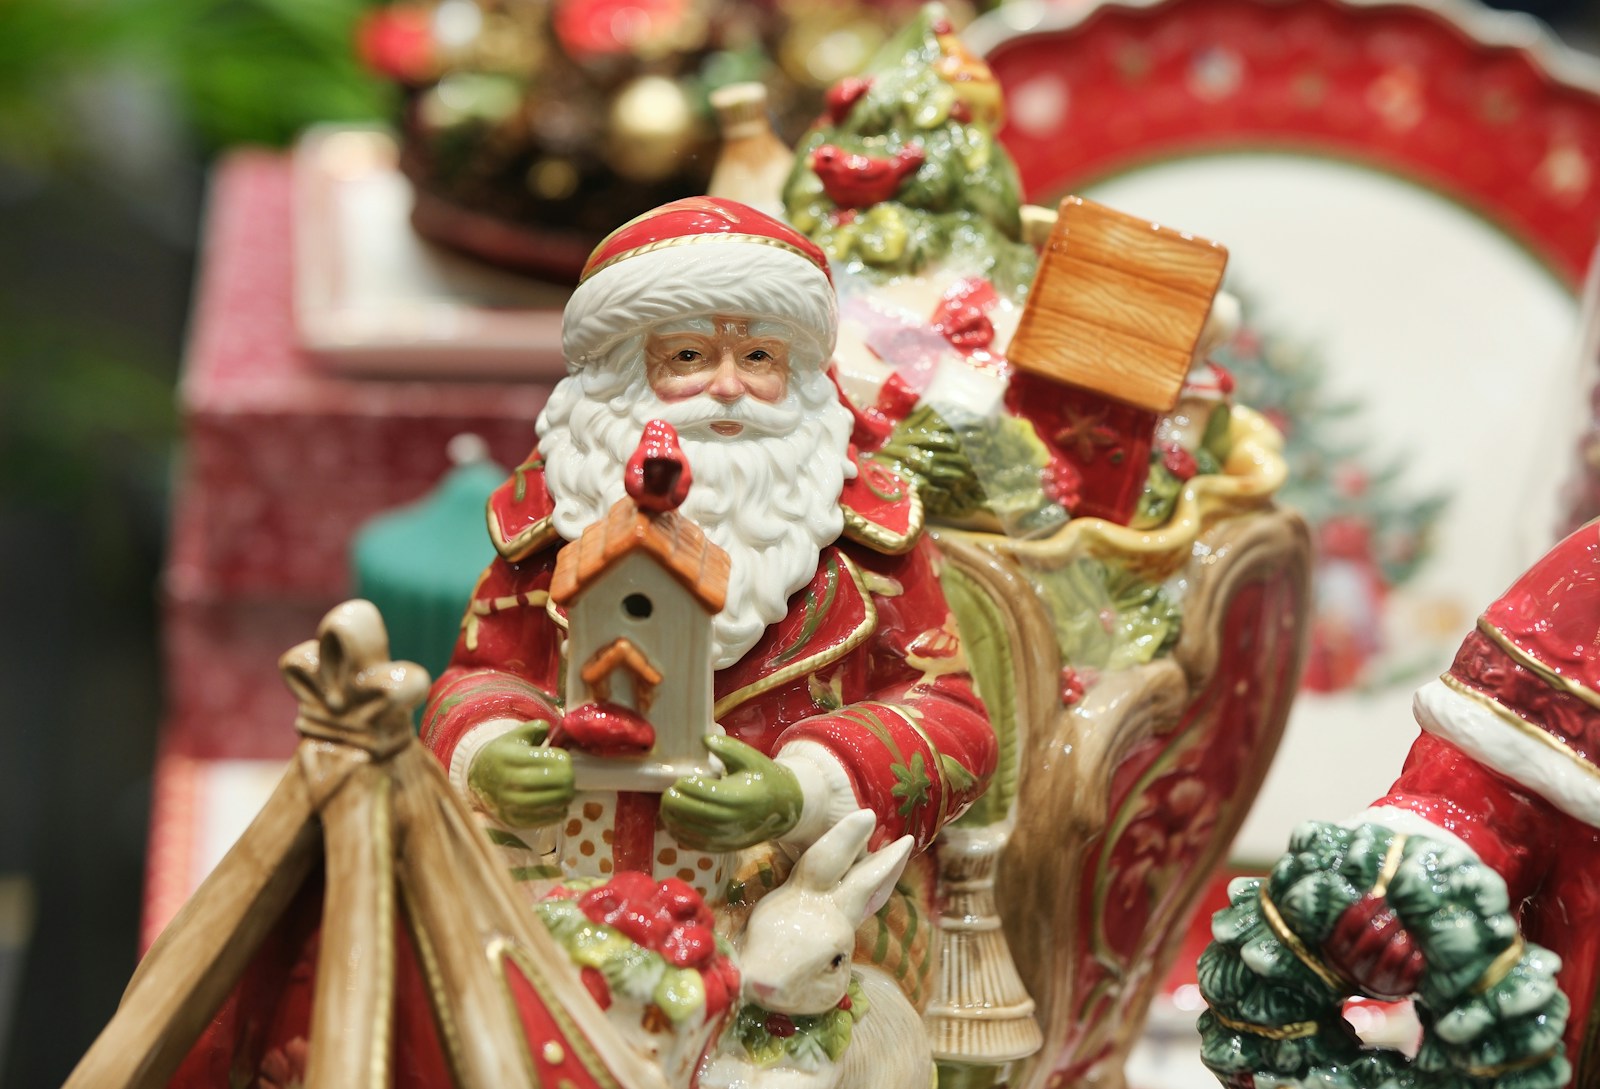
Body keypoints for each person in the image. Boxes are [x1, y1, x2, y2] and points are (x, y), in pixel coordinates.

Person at [421, 197, 996, 895]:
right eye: (689, 355)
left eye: (758, 356)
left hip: (800, 900)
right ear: (626, 370)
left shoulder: (865, 538)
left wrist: (805, 790)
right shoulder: (550, 519)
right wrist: (489, 751)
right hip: (576, 869)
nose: (727, 387)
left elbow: (952, 717)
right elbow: (477, 676)